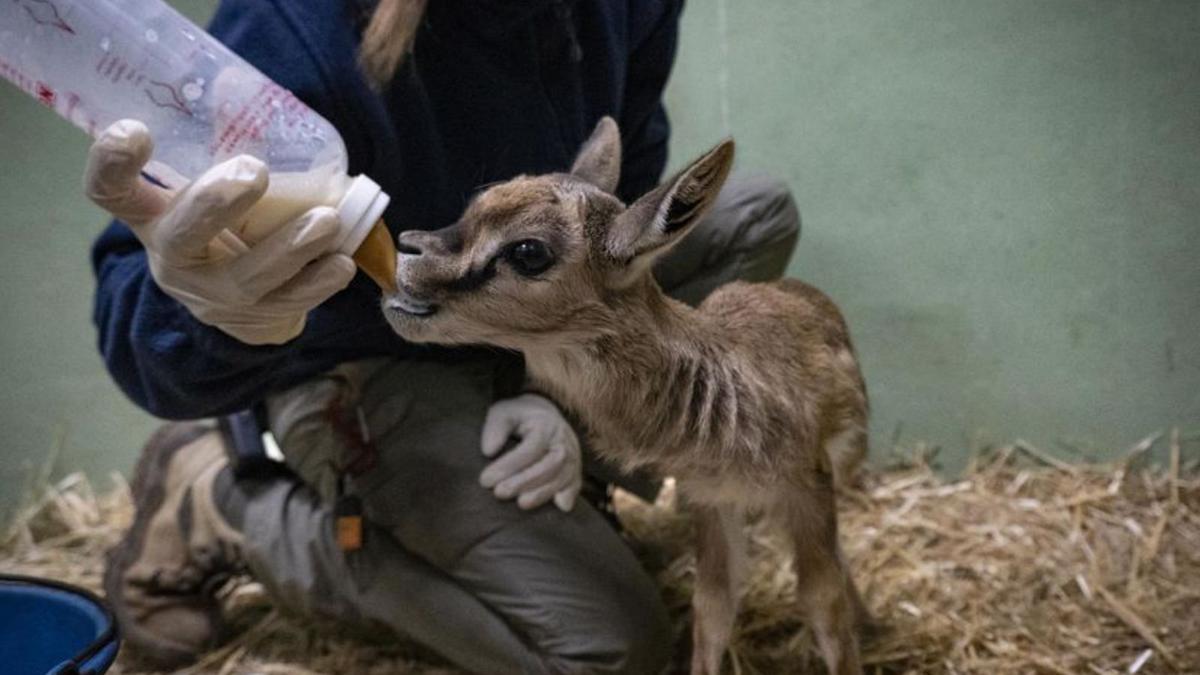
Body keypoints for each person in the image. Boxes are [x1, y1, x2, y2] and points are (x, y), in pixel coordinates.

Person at [86, 1, 800, 673]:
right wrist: (203, 306)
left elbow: (627, 178)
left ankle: (560, 458)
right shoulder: (303, 29)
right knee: (612, 650)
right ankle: (227, 503)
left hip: (523, 320)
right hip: (371, 350)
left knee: (752, 216)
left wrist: (546, 388)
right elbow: (140, 336)